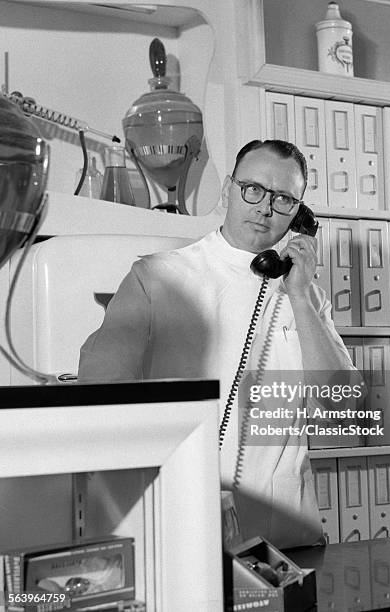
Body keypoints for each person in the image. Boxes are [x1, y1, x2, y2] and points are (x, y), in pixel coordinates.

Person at [78, 139, 358, 549]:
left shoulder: (308, 298)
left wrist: (299, 296)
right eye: (254, 189)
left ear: (299, 214)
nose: (265, 208)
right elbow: (101, 397)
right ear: (228, 189)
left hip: (288, 536)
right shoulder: (158, 276)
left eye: (284, 199)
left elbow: (341, 411)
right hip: (185, 529)